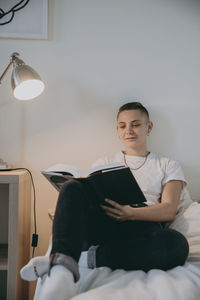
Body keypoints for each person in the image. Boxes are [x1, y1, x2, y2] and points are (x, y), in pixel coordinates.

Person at [21, 102, 190, 300]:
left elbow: (168, 210)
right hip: (103, 223)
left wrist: (130, 213)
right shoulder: (104, 163)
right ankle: (62, 268)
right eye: (122, 125)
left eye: (135, 124)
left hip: (142, 227)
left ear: (149, 127)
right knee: (72, 186)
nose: (129, 130)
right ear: (118, 129)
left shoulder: (168, 165)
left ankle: (77, 260)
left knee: (177, 245)